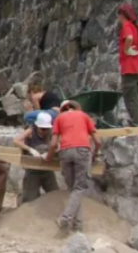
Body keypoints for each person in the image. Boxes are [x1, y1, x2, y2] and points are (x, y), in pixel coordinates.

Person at [45, 100, 102, 233]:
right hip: (82, 151)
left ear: (63, 109)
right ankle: (65, 219)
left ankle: (78, 226)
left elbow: (53, 144)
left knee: (74, 190)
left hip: (65, 152)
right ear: (77, 108)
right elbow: (97, 141)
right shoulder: (83, 116)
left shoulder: (59, 118)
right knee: (79, 189)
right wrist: (93, 155)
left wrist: (48, 157)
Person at [14, 111, 59, 205]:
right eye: (42, 129)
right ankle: (21, 201)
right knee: (30, 199)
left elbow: (59, 144)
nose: (44, 131)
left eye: (46, 129)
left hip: (47, 168)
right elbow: (16, 140)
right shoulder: (31, 131)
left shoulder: (51, 132)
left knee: (55, 193)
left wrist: (50, 152)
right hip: (32, 169)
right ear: (37, 126)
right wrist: (30, 149)